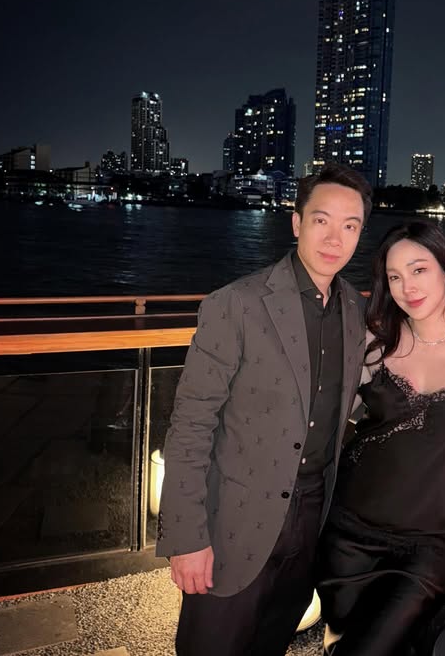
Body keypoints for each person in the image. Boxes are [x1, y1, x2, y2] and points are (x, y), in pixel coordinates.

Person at [156, 162, 373, 656]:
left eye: (350, 225)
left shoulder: (357, 311)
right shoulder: (236, 304)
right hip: (233, 521)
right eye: (321, 220)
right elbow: (190, 425)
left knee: (272, 641)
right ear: (296, 223)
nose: (334, 238)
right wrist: (186, 538)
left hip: (313, 517)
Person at [316, 219, 445, 656]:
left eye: (419, 269)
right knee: (350, 637)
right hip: (347, 528)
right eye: (394, 277)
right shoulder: (374, 342)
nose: (407, 287)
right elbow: (328, 416)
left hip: (428, 542)